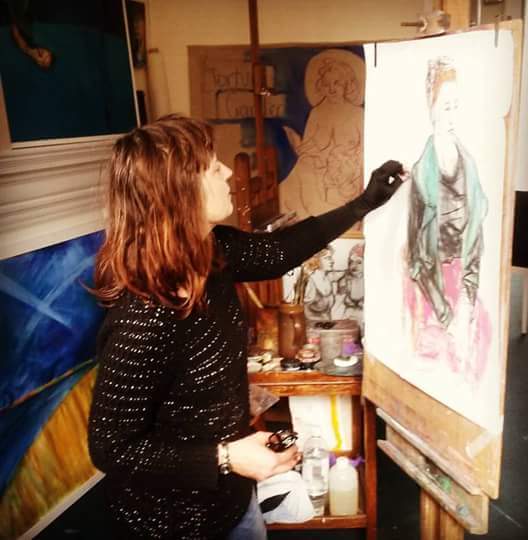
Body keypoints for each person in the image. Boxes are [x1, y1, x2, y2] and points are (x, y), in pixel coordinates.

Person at [87, 114, 403, 539]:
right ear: (177, 192)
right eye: (211, 166)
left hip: (234, 502)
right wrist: (225, 457)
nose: (227, 171)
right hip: (171, 525)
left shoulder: (213, 252)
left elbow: (279, 251)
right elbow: (111, 448)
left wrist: (363, 204)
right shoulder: (142, 319)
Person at [406, 56, 490, 380]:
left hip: (463, 281)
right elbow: (417, 259)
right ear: (431, 107)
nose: (451, 115)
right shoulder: (420, 174)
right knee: (433, 362)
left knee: (479, 351)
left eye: (456, 106)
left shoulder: (471, 167)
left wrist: (466, 302)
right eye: (445, 107)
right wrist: (446, 315)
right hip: (431, 287)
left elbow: (476, 241)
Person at [280, 51, 364, 220]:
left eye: (337, 83)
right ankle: (308, 217)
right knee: (299, 174)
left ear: (347, 84)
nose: (332, 89)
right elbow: (310, 144)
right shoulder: (317, 113)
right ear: (321, 86)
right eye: (327, 84)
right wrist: (307, 150)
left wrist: (346, 159)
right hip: (318, 164)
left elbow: (363, 145)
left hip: (347, 167)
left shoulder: (357, 113)